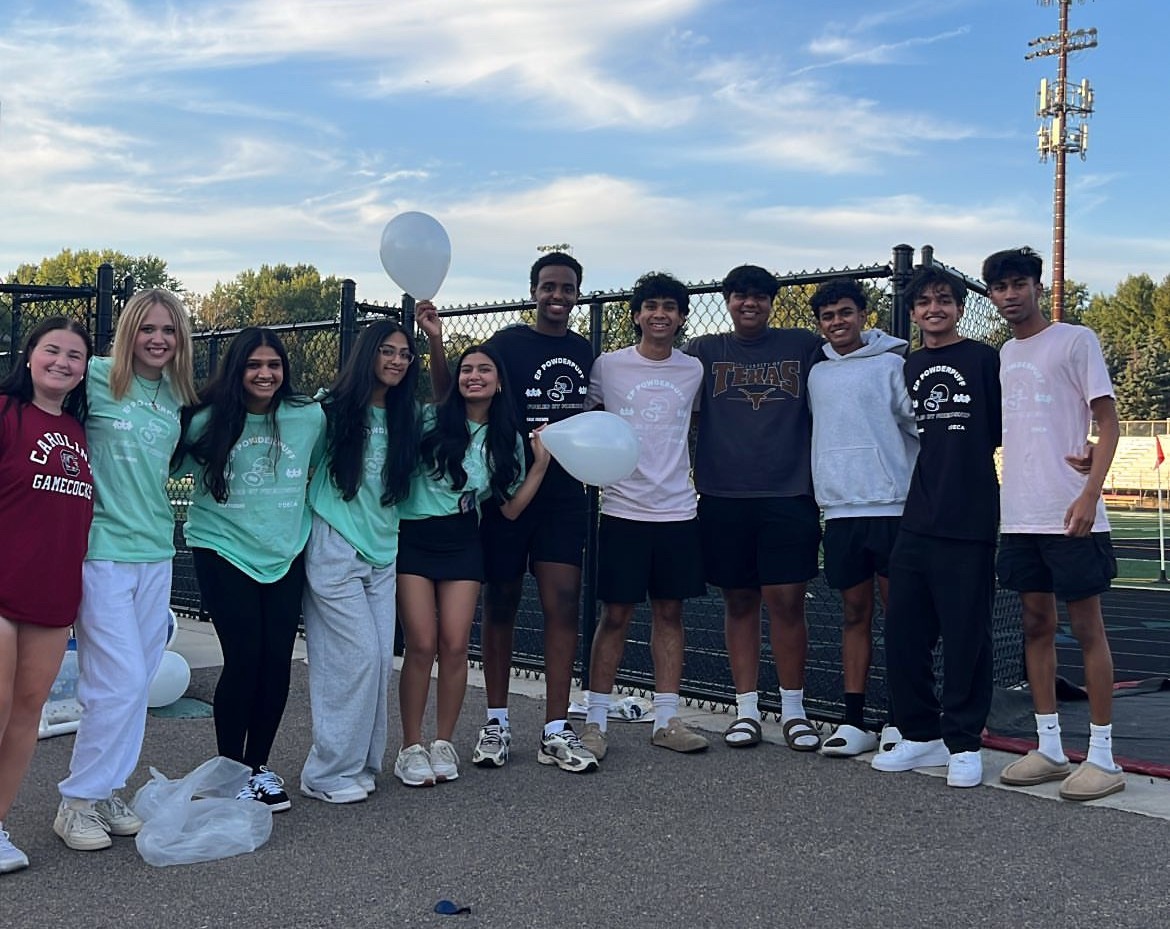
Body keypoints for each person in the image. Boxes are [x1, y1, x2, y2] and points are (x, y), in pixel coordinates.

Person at [431, 251, 597, 773]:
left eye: (567, 288)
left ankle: (554, 729)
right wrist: (435, 340)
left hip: (564, 494)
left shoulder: (583, 351)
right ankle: (497, 722)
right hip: (505, 490)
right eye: (548, 286)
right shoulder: (506, 345)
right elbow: (451, 393)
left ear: (576, 294)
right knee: (500, 604)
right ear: (533, 292)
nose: (557, 296)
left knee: (563, 606)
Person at [55, 289, 198, 852]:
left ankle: (108, 787)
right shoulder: (93, 375)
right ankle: (77, 803)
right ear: (129, 332)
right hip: (102, 551)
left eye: (168, 330)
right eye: (147, 329)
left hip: (156, 550)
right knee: (114, 683)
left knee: (134, 685)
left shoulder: (176, 395)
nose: (158, 339)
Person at [985, 246, 1126, 801]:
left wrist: (1091, 494)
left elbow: (1107, 424)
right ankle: (1048, 747)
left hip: (1071, 509)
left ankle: (1102, 755)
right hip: (1020, 513)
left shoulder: (1076, 339)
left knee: (1087, 628)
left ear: (1038, 287)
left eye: (1019, 283)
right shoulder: (1001, 354)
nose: (1009, 295)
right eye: (999, 287)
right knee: (1035, 626)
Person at [174, 328, 325, 811]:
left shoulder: (307, 417)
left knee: (275, 662)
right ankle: (229, 770)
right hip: (222, 549)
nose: (265, 374)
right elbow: (169, 468)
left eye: (274, 365)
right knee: (244, 659)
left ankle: (259, 767)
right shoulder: (205, 421)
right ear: (237, 370)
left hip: (283, 553)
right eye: (254, 365)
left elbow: (318, 466)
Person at [394, 344, 550, 786]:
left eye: (485, 369)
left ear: (499, 382)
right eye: (467, 370)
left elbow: (513, 510)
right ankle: (410, 746)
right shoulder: (429, 418)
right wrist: (434, 339)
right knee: (421, 644)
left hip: (463, 542)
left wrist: (539, 467)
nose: (474, 376)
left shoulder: (508, 440)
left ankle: (443, 743)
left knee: (456, 645)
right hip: (414, 538)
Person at [684, 264, 824, 751]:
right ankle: (745, 710)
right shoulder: (703, 351)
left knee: (786, 602)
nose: (750, 304)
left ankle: (793, 710)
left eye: (760, 297)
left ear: (771, 302)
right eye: (741, 296)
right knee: (739, 600)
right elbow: (671, 397)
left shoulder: (802, 346)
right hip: (724, 495)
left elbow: (854, 351)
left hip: (789, 494)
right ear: (727, 300)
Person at [871, 266, 1001, 789]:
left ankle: (965, 741)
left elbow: (1000, 428)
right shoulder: (905, 366)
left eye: (943, 299)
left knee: (968, 636)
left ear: (960, 307)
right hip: (915, 520)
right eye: (923, 301)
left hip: (969, 519)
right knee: (904, 631)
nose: (933, 308)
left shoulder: (984, 359)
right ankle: (920, 733)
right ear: (913, 312)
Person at [580, 271, 708, 761]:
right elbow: (586, 418)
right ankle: (594, 721)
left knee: (670, 612)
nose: (660, 314)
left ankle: (667, 719)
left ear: (680, 317)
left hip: (678, 509)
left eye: (670, 307)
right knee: (615, 615)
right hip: (622, 509)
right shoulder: (609, 367)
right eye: (651, 305)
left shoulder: (694, 369)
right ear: (635, 314)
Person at [297, 320, 422, 804]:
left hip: (382, 549)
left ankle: (361, 763)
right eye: (387, 351)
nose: (396, 360)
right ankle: (325, 773)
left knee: (376, 660)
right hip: (335, 544)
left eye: (405, 355)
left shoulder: (407, 416)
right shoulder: (330, 410)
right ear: (368, 354)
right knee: (351, 658)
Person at [806, 278, 918, 757]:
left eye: (845, 313)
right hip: (842, 510)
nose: (838, 323)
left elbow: (917, 427)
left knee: (901, 619)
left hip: (893, 508)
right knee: (855, 614)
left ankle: (901, 719)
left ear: (863, 315)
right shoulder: (816, 374)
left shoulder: (893, 365)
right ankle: (854, 722)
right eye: (828, 316)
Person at [0, 318, 94, 873]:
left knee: (26, 714)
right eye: (52, 350)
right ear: (30, 356)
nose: (62, 362)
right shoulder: (7, 414)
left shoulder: (81, 434)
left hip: (54, 598)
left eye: (75, 356)